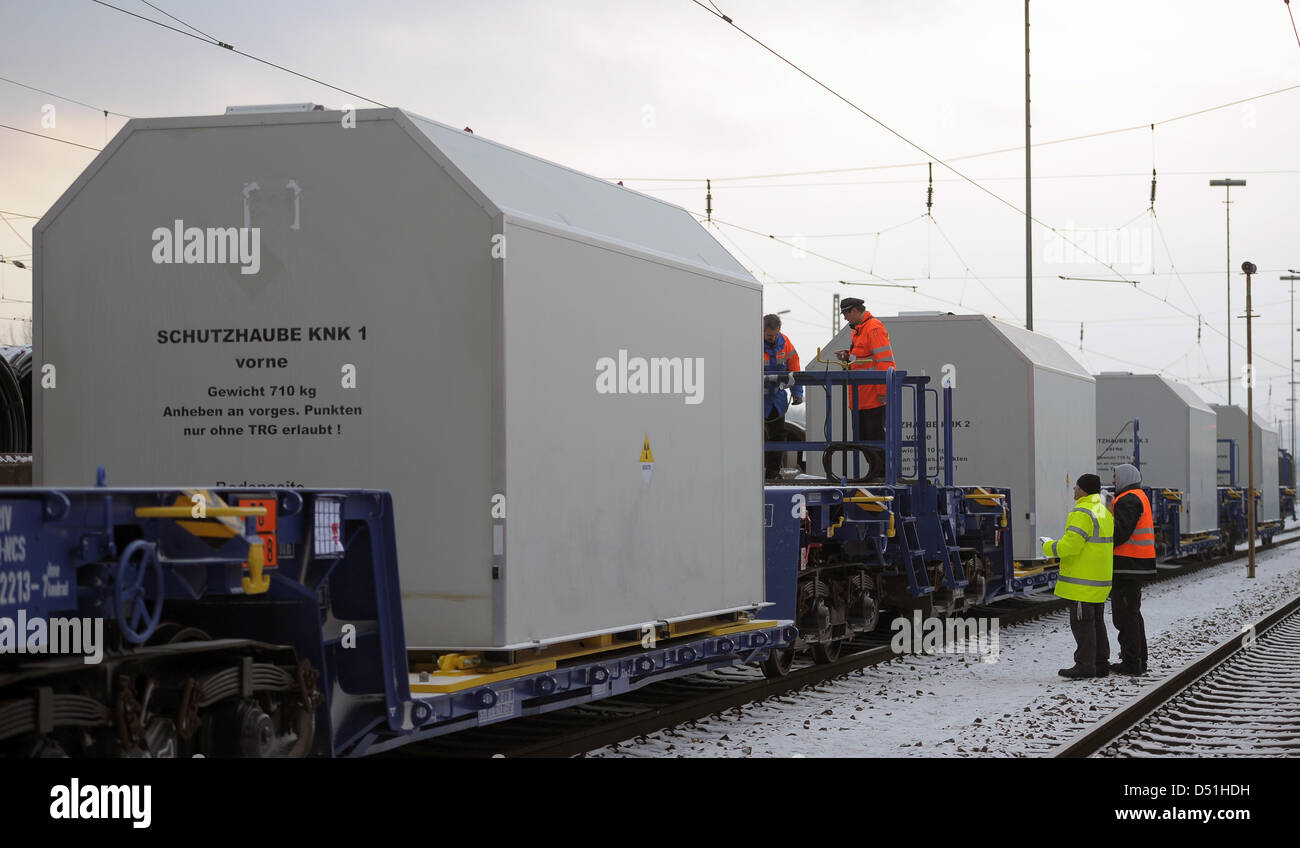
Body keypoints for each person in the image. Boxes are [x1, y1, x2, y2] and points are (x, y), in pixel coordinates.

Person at [1039, 473, 1114, 679]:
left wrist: (1048, 546)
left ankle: (1085, 665)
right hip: (1099, 579)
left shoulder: (1082, 512)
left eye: (1076, 487)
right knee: (1096, 622)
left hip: (1083, 580)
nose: (1074, 490)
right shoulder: (1102, 511)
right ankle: (1100, 664)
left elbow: (1071, 546)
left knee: (1082, 624)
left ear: (1082, 490)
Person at [834, 298, 895, 483]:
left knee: (874, 436)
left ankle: (883, 473)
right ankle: (875, 472)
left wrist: (884, 391)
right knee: (863, 438)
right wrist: (847, 356)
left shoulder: (873, 328)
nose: (844, 318)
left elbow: (885, 362)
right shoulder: (859, 332)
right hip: (860, 396)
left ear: (854, 311)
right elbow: (863, 359)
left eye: (845, 314)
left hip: (872, 396)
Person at [1109, 463, 1155, 675]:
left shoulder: (1128, 499)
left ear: (1125, 478)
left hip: (1128, 564)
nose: (1113, 482)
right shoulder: (1138, 495)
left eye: (1115, 478)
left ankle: (1132, 662)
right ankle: (1137, 660)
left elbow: (1119, 533)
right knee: (1132, 615)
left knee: (1125, 616)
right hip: (1134, 564)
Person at [763, 314, 803, 478]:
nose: (772, 338)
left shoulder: (785, 343)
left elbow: (794, 369)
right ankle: (753, 471)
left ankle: (772, 472)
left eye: (775, 335)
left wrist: (797, 393)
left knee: (777, 435)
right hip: (755, 399)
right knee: (753, 436)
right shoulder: (751, 342)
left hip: (776, 398)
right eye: (769, 335)